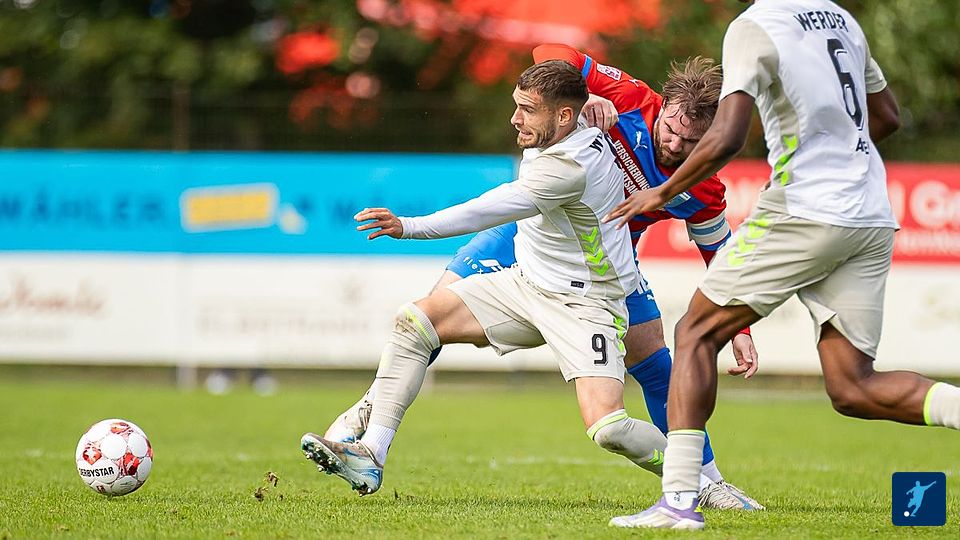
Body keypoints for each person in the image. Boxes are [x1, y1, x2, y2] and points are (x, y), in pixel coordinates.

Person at [319, 44, 762, 509]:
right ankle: (371, 425)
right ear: (664, 105)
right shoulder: (629, 98)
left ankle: (705, 479)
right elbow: (551, 55)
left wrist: (741, 327)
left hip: (599, 266)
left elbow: (721, 255)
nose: (673, 145)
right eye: (670, 129)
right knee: (422, 321)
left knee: (650, 361)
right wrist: (589, 94)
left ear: (715, 139)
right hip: (526, 233)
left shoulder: (703, 186)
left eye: (691, 142)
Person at [604, 0, 960, 530]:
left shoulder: (754, 26)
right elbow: (887, 117)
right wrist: (834, 157)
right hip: (870, 213)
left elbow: (726, 136)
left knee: (695, 332)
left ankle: (679, 502)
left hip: (807, 208)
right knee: (853, 387)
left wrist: (661, 192)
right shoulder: (842, 20)